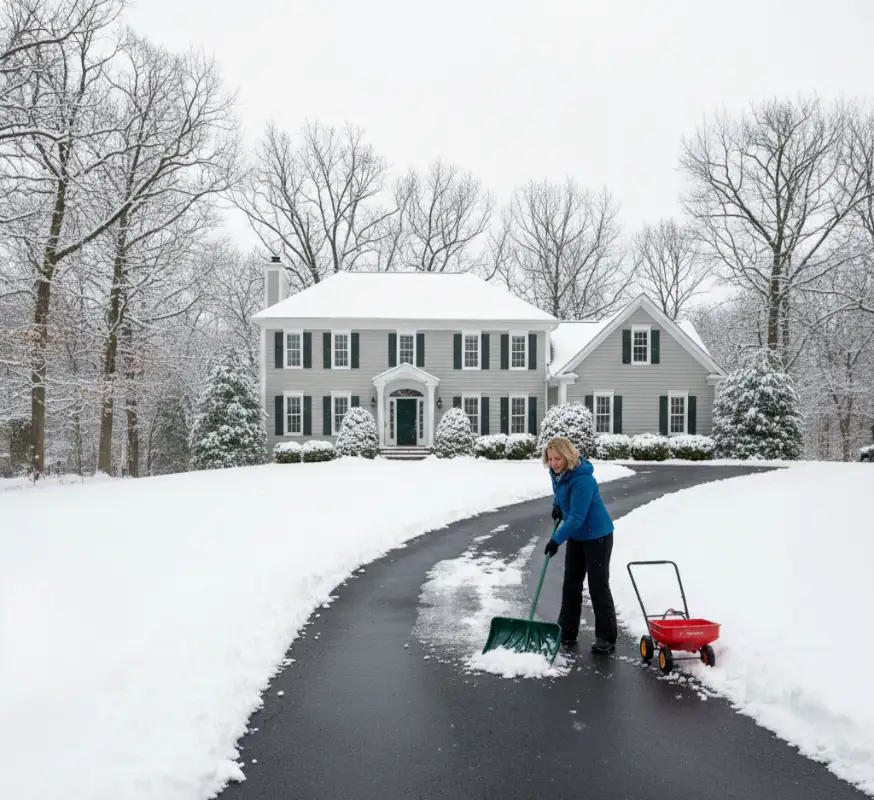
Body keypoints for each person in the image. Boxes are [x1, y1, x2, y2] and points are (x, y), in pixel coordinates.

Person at [543, 436, 618, 654]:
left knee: (597, 585)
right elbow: (560, 493)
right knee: (571, 583)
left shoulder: (583, 479)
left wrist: (556, 539)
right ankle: (566, 632)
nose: (554, 463)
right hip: (577, 536)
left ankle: (606, 637)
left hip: (598, 536)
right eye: (550, 459)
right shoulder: (557, 474)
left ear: (567, 456)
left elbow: (576, 517)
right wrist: (556, 505)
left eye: (557, 458)